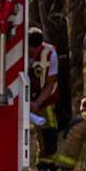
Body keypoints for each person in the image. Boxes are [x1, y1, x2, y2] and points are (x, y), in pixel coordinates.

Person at [29, 27, 61, 159]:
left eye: (36, 48)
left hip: (44, 98)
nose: (33, 51)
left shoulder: (50, 54)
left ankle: (47, 164)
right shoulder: (18, 50)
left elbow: (50, 83)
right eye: (31, 48)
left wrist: (37, 102)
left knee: (48, 130)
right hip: (23, 95)